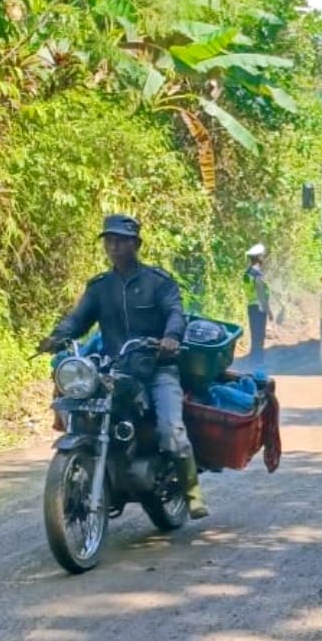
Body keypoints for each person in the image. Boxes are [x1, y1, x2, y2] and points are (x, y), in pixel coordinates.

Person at [38, 214, 209, 519]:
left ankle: (193, 492)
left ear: (136, 244)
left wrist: (170, 338)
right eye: (109, 241)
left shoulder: (159, 282)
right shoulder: (100, 287)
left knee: (171, 431)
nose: (114, 246)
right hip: (114, 368)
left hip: (157, 368)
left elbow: (175, 313)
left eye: (120, 241)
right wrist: (57, 336)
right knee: (81, 411)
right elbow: (78, 319)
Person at [243, 243, 272, 367]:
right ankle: (258, 363)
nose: (264, 259)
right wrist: (269, 310)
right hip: (259, 307)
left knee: (255, 335)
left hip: (251, 306)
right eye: (263, 257)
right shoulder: (257, 274)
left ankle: (253, 362)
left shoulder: (248, 272)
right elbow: (260, 292)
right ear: (259, 258)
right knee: (259, 337)